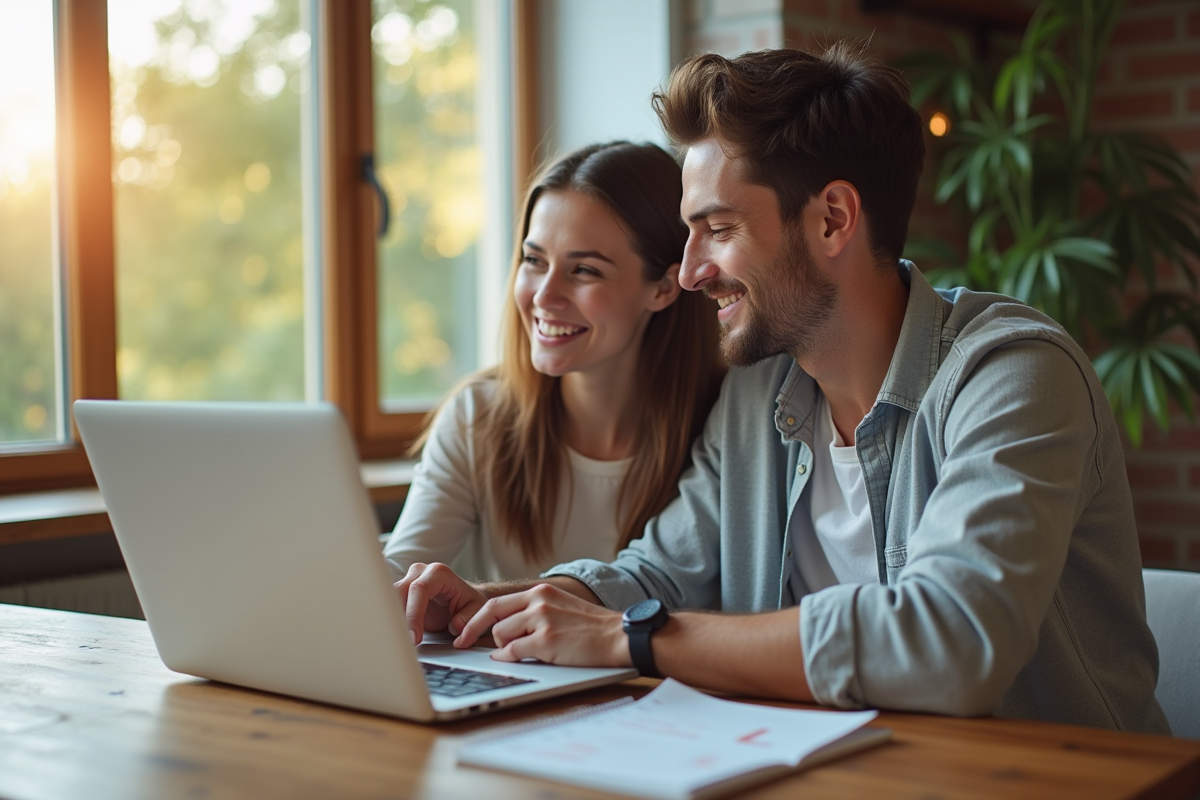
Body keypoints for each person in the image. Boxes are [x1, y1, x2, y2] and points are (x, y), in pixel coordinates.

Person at [396, 44, 1169, 733]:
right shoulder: (757, 395)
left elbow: (952, 641)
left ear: (833, 219)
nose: (692, 269)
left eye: (719, 230)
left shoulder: (1012, 376)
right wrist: (501, 604)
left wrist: (638, 637)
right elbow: (658, 574)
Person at [383, 142, 723, 583]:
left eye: (584, 270)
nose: (544, 296)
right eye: (533, 260)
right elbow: (399, 574)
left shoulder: (726, 426)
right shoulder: (478, 417)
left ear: (662, 286)